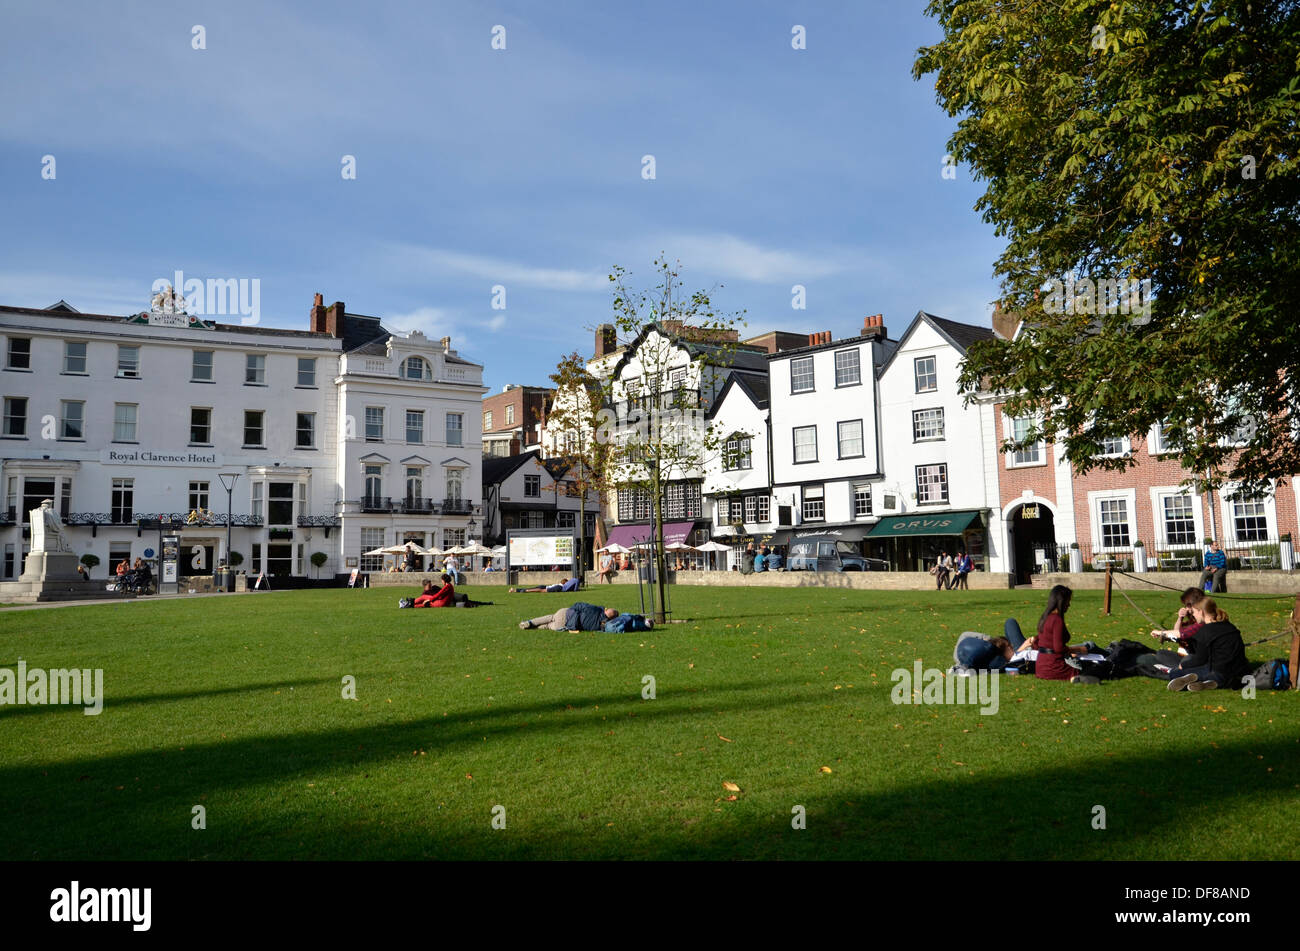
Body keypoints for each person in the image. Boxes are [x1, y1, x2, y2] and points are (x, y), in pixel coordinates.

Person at [1166, 597, 1251, 692]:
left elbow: (1200, 659)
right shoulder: (1230, 626)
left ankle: (1206, 679)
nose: (1193, 615)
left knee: (1174, 673)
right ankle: (1210, 682)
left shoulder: (1205, 630)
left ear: (1201, 612)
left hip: (1218, 671)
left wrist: (1184, 665)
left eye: (1194, 612)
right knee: (1213, 671)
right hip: (1241, 671)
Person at [1033, 585, 1096, 683]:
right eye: (1068, 601)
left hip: (1041, 667)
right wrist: (1078, 649)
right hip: (1054, 667)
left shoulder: (1045, 617)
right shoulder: (1056, 620)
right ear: (1061, 601)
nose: (1069, 604)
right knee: (1095, 669)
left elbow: (1037, 642)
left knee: (1091, 651)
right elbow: (1058, 648)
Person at [520, 602, 626, 631]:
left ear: (606, 610)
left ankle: (530, 623)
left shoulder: (594, 609)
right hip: (568, 625)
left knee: (550, 617)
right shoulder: (600, 625)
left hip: (567, 614)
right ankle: (533, 627)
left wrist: (572, 610)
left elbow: (578, 605)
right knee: (548, 626)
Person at [512, 578, 577, 593]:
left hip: (545, 586)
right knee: (531, 589)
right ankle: (526, 590)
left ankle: (515, 590)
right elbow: (543, 590)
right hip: (544, 587)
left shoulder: (559, 584)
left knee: (529, 588)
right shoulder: (560, 587)